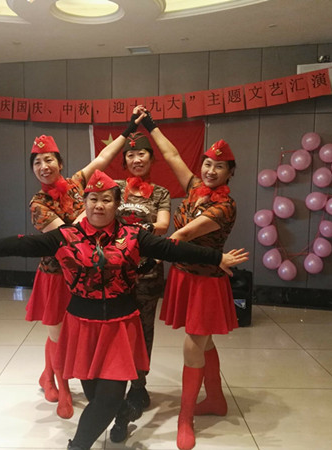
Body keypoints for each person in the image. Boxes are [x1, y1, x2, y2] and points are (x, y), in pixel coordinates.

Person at [0, 169, 249, 450]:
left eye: (106, 199)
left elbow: (172, 248)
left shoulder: (133, 236)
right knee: (95, 396)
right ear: (85, 202)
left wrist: (216, 258)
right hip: (81, 327)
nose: (99, 205)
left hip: (120, 326)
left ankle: (78, 445)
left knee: (108, 397)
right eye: (93, 199)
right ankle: (123, 414)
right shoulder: (66, 236)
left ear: (117, 204)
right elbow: (21, 244)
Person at [25, 107, 145, 419]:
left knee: (67, 333)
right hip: (56, 277)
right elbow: (68, 237)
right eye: (37, 162)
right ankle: (62, 389)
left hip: (88, 276)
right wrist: (94, 211)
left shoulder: (78, 184)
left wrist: (128, 129)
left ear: (60, 163)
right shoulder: (38, 205)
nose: (44, 166)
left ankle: (48, 375)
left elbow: (104, 157)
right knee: (57, 333)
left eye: (49, 159)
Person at [142, 112, 240, 450]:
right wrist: (150, 125)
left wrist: (148, 255)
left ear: (230, 172)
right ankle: (215, 399)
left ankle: (185, 419)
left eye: (219, 166)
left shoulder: (225, 207)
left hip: (206, 284)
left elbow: (182, 235)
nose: (210, 170)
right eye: (207, 164)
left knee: (193, 345)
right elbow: (171, 155)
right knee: (204, 342)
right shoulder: (195, 187)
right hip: (184, 276)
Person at [110, 131, 171, 442]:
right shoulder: (115, 188)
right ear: (124, 161)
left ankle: (139, 386)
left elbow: (163, 225)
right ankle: (114, 384)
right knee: (116, 328)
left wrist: (139, 227)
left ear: (151, 158)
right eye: (130, 155)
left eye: (142, 154)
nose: (136, 159)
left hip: (147, 272)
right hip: (115, 271)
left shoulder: (160, 193)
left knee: (144, 329)